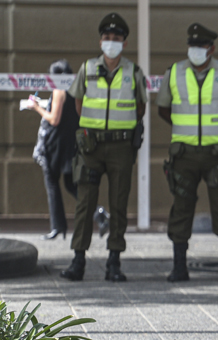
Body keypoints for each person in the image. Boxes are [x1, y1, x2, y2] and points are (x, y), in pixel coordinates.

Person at [157, 23, 218, 282]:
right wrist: (182, 126)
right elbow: (162, 108)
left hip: (217, 153)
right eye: (192, 45)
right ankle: (179, 268)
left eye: (201, 46)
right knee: (181, 208)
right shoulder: (174, 72)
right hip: (184, 154)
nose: (195, 50)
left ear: (211, 49)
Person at [60, 13, 147, 282]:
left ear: (125, 42)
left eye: (117, 38)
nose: (111, 42)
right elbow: (78, 103)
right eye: (107, 38)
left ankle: (114, 262)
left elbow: (140, 106)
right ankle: (78, 261)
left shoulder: (133, 72)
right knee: (85, 204)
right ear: (100, 41)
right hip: (91, 146)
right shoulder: (87, 69)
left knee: (119, 204)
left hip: (121, 146)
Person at [30, 60, 79, 240]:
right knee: (70, 183)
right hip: (69, 143)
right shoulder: (74, 90)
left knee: (52, 183)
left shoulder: (59, 90)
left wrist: (36, 108)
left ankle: (57, 227)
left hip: (55, 144)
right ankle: (98, 211)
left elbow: (54, 119)